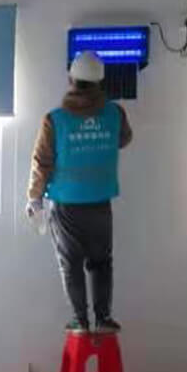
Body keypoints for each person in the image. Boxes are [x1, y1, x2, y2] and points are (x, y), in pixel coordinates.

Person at [26, 51, 133, 333]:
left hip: (66, 204)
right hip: (100, 201)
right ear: (100, 82)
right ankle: (103, 319)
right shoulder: (115, 114)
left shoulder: (55, 120)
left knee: (71, 264)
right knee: (101, 262)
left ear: (71, 79)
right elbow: (124, 139)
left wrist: (34, 198)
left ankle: (80, 321)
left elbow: (41, 162)